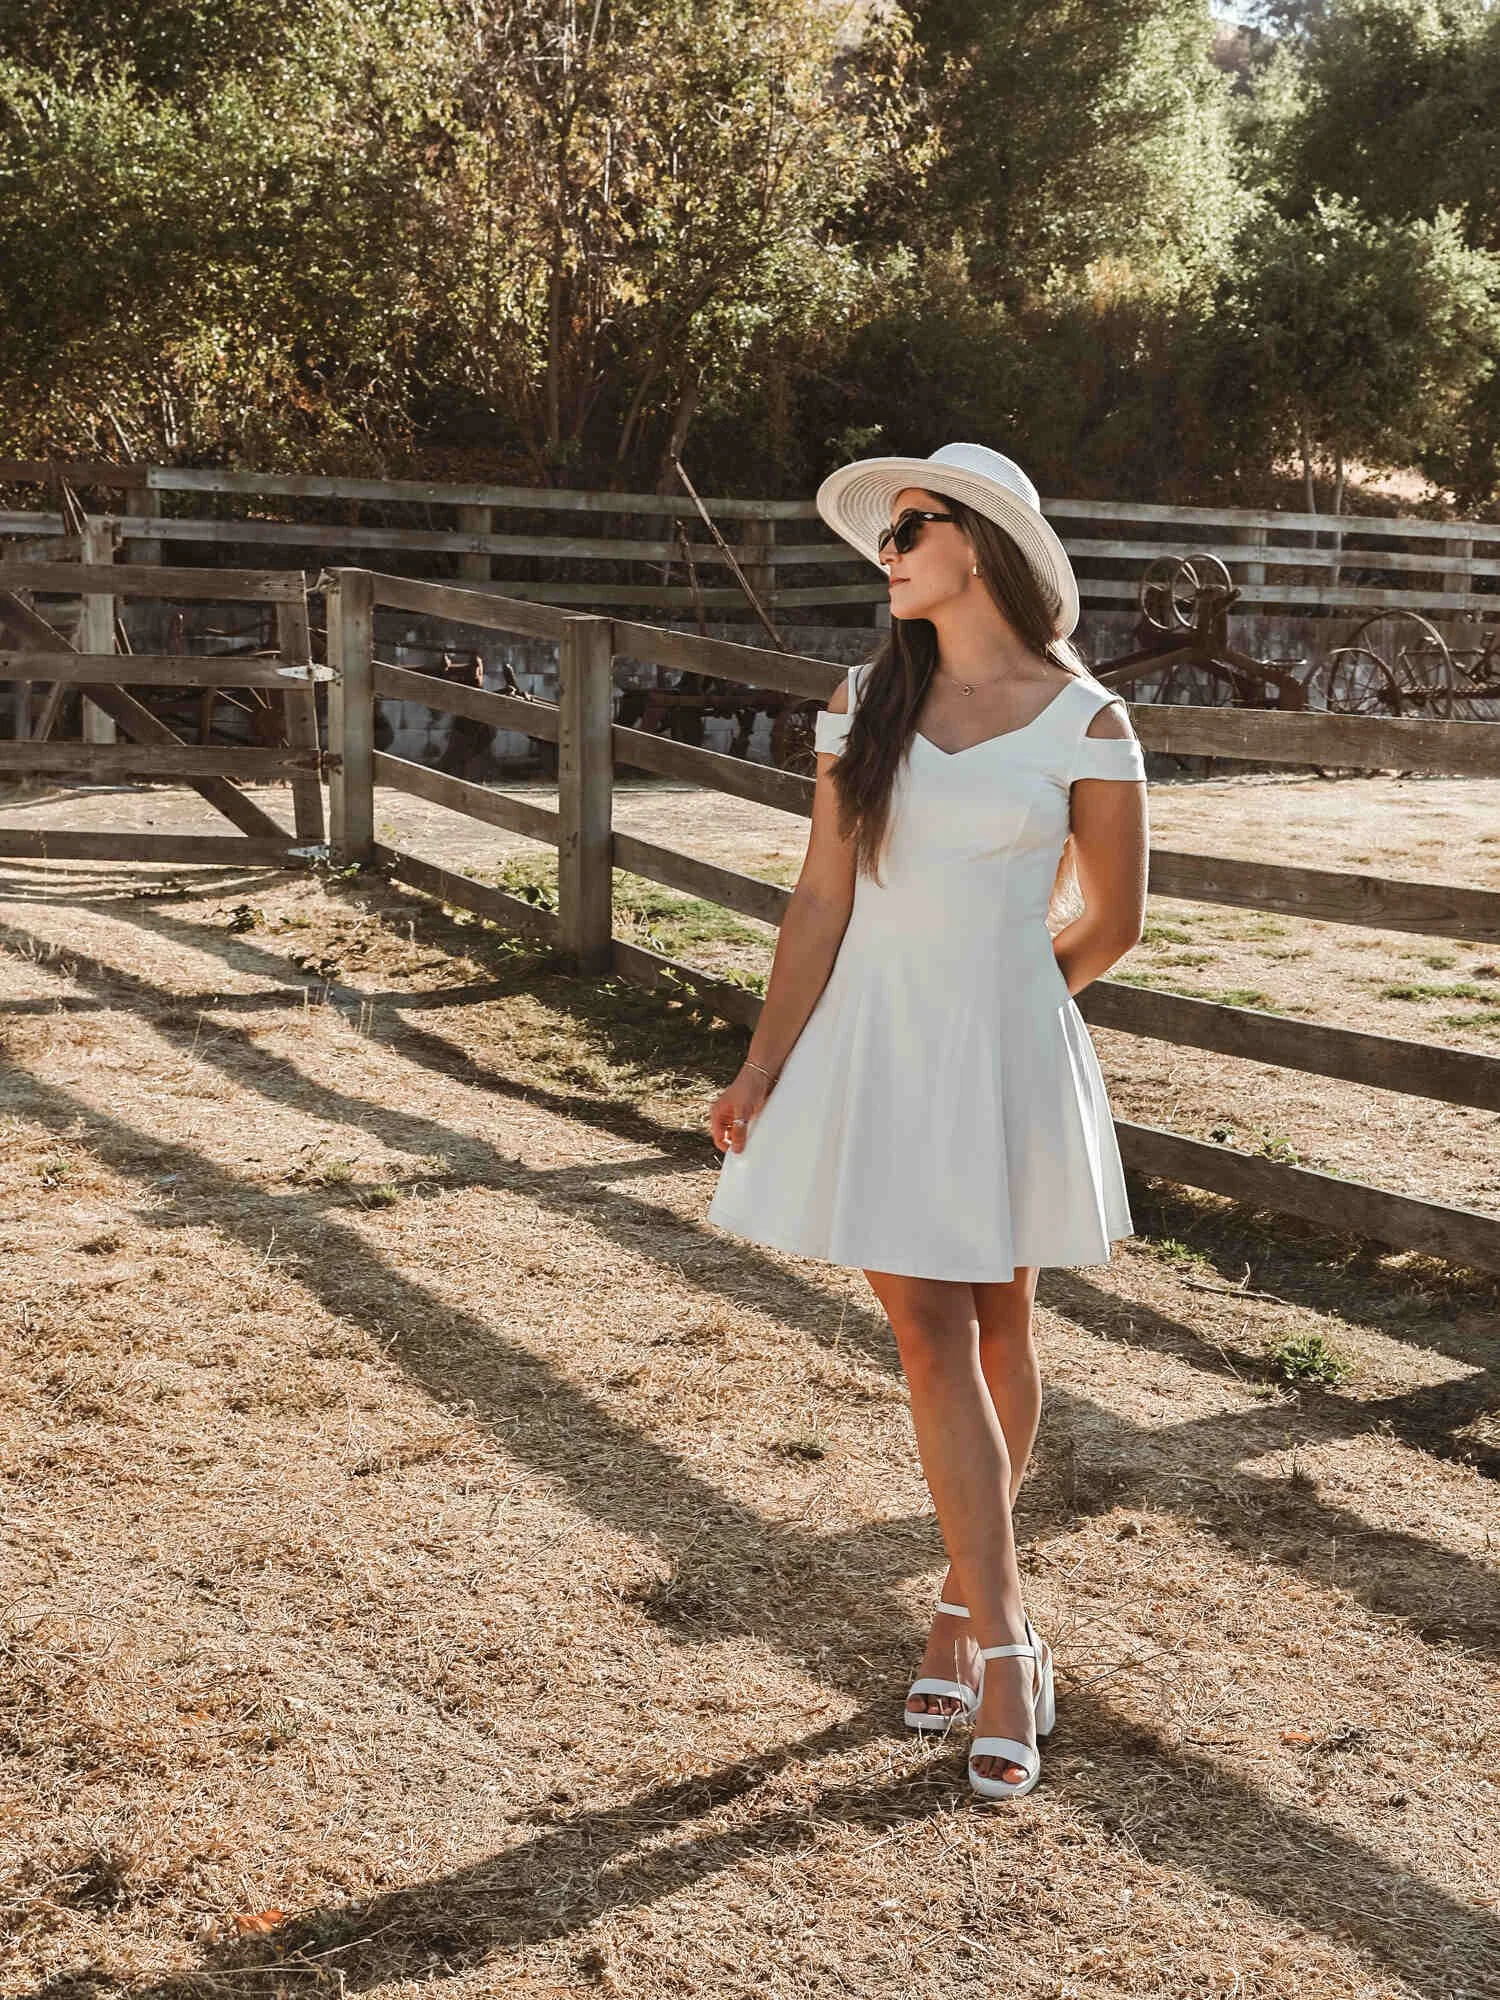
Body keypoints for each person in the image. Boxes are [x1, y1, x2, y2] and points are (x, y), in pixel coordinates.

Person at [704, 443, 1149, 1801]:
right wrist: (765, 1064)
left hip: (1006, 1053)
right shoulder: (864, 702)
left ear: (985, 546)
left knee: (1005, 1321)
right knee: (931, 1326)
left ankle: (964, 1604)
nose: (887, 552)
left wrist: (1009, 1011)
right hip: (878, 1048)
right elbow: (823, 898)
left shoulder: (1087, 722)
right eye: (885, 534)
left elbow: (1115, 922)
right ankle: (1012, 1647)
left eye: (912, 528)